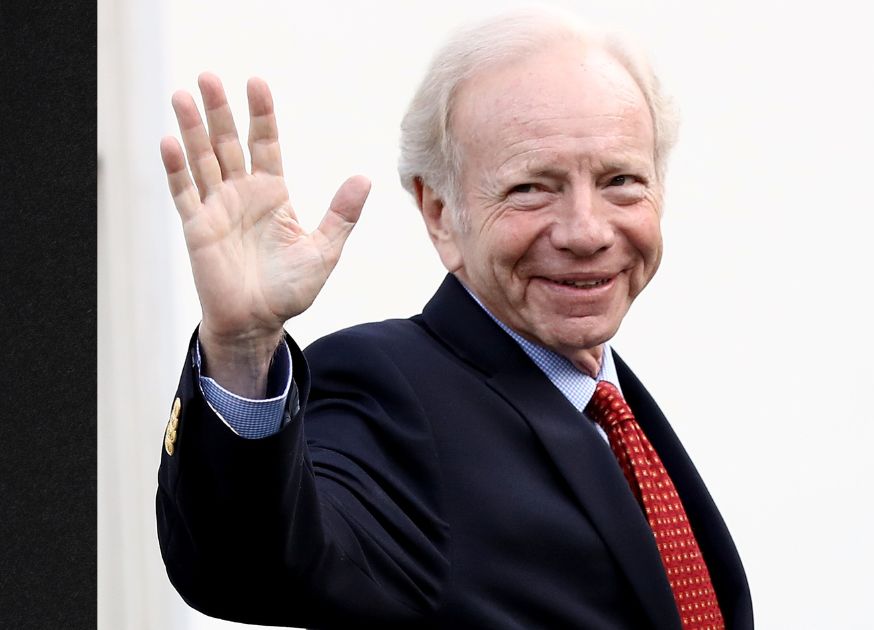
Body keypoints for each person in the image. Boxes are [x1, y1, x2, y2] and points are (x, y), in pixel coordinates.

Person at [155, 8, 752, 629]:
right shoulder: (392, 391)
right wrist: (244, 348)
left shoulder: (611, 406)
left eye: (621, 180)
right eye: (531, 188)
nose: (587, 231)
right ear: (440, 213)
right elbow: (250, 564)